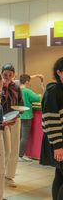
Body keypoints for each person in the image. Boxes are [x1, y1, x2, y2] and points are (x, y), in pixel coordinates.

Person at [41, 57, 63, 200]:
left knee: (60, 176)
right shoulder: (53, 91)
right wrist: (58, 146)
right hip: (58, 142)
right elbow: (50, 120)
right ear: (59, 72)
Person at [0, 63, 24, 188]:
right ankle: (1, 174)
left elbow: (21, 102)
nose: (8, 76)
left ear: (14, 75)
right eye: (5, 74)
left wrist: (20, 110)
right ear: (2, 74)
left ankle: (10, 176)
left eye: (10, 74)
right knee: (6, 149)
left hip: (15, 119)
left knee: (15, 148)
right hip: (3, 120)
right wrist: (3, 88)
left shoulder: (17, 87)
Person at [19, 74, 41, 162]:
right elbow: (37, 98)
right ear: (27, 82)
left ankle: (17, 154)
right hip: (26, 115)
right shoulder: (27, 91)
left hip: (18, 115)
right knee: (24, 137)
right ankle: (20, 155)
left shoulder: (17, 89)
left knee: (19, 136)